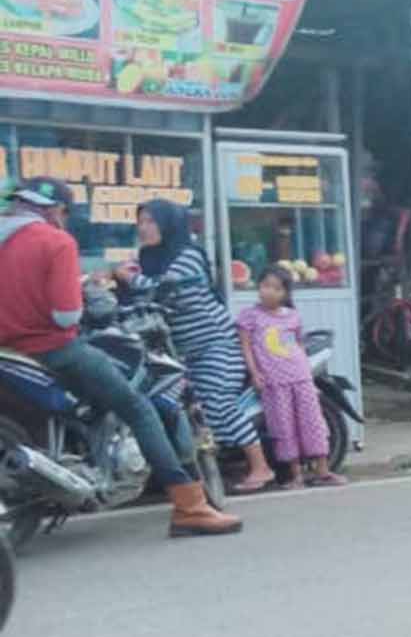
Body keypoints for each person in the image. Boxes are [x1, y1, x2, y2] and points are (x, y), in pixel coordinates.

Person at [0, 178, 239, 537]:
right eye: (65, 213)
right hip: (52, 350)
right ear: (56, 211)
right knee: (138, 407)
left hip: (9, 352)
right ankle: (190, 507)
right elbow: (66, 315)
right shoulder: (55, 241)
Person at [119, 198, 271, 492]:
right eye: (140, 222)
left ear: (168, 224)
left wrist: (130, 280)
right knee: (185, 411)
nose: (143, 228)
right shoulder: (148, 259)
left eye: (151, 221)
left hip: (217, 344)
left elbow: (167, 289)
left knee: (217, 403)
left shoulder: (188, 255)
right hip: (181, 353)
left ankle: (260, 466)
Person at [235, 265, 345, 488]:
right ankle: (296, 475)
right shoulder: (249, 316)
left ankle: (323, 470)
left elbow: (298, 345)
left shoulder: (292, 316)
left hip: (301, 377)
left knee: (312, 423)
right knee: (283, 428)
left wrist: (308, 375)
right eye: (265, 285)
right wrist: (255, 374)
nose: (268, 291)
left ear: (285, 293)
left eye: (276, 288)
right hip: (274, 382)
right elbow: (246, 348)